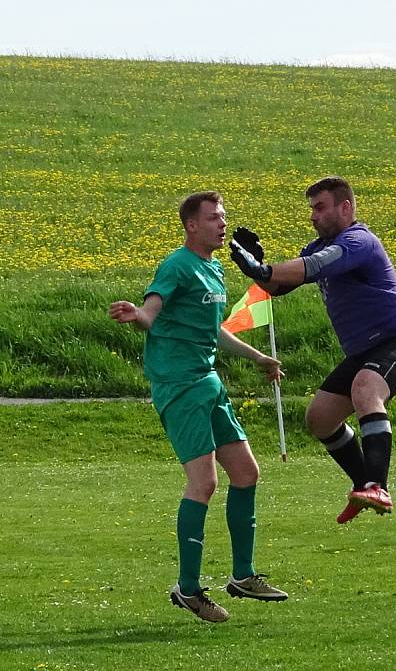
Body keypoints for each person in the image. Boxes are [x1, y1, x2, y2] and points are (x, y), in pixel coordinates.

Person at [109, 191, 288, 624]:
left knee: (246, 473)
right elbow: (154, 311)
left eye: (223, 216)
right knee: (203, 484)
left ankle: (243, 576)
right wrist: (139, 314)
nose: (222, 224)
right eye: (213, 218)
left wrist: (258, 357)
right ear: (192, 225)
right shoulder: (177, 265)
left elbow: (214, 332)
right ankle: (188, 589)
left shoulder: (213, 268)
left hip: (207, 381)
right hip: (179, 385)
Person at [229, 176, 396, 525]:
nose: (313, 216)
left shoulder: (358, 240)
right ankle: (362, 485)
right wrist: (257, 265)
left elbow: (315, 267)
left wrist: (263, 269)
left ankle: (377, 486)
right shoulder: (318, 246)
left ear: (345, 207)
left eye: (320, 207)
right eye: (311, 209)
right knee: (319, 418)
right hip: (364, 351)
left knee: (365, 388)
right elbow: (277, 286)